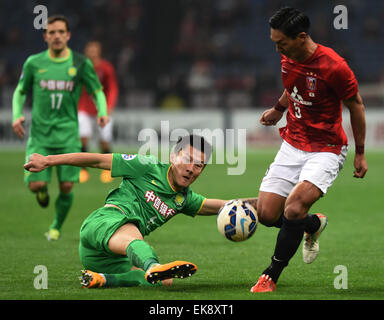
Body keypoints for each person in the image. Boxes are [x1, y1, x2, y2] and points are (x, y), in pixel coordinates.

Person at [24, 135, 254, 288]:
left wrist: (264, 204)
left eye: (199, 165)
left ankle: (102, 279)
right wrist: (48, 161)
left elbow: (223, 205)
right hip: (102, 224)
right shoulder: (146, 166)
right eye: (188, 160)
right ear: (173, 157)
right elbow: (96, 160)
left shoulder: (184, 199)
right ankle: (152, 265)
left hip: (105, 258)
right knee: (134, 232)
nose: (191, 169)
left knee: (164, 283)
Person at [251, 7, 368, 293]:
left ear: (301, 37)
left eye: (282, 43)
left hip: (326, 149)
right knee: (266, 214)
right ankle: (313, 224)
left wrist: (361, 152)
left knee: (293, 208)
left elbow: (356, 105)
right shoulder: (288, 56)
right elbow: (293, 87)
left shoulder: (335, 67)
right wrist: (278, 109)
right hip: (293, 142)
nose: (277, 48)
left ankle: (271, 274)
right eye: (275, 42)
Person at [12, 15, 108, 241]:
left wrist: (102, 111)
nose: (56, 36)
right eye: (51, 32)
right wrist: (17, 115)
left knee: (66, 186)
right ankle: (42, 189)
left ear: (68, 35)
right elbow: (20, 91)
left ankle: (55, 227)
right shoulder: (34, 63)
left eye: (60, 32)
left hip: (67, 135)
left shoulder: (80, 63)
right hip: (40, 136)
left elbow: (97, 90)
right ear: (45, 36)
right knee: (35, 184)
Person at [78, 40, 119, 184]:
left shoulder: (106, 68)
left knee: (104, 140)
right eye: (90, 50)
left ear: (99, 52)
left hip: (102, 110)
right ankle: (82, 170)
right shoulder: (81, 68)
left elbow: (112, 88)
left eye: (95, 50)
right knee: (83, 137)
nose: (92, 53)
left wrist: (109, 106)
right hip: (83, 108)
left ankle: (108, 170)